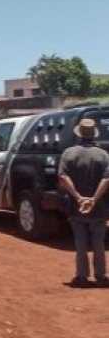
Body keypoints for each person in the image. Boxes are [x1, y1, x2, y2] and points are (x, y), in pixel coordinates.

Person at [58, 118, 109, 288]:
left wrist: (78, 197)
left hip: (75, 206)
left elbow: (64, 177)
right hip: (99, 207)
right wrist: (94, 199)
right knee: (98, 242)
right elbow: (106, 179)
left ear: (79, 134)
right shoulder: (103, 155)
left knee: (80, 241)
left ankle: (82, 277)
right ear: (93, 135)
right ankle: (101, 277)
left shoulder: (69, 153)